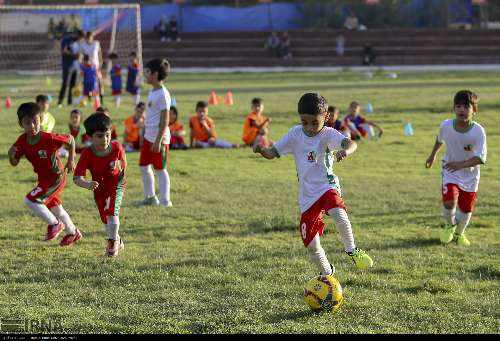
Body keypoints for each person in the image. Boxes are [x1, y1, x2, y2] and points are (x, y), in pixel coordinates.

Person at [253, 93, 373, 277]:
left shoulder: (328, 134)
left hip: (327, 186)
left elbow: (351, 143)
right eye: (304, 122)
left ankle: (352, 250)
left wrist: (345, 151)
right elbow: (273, 152)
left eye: (314, 123)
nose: (309, 127)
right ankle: (327, 274)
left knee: (339, 214)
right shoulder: (294, 134)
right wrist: (262, 149)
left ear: (326, 118)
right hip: (307, 197)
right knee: (311, 245)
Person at [8, 102, 81, 247]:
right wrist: (11, 155)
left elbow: (71, 140)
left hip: (56, 176)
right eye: (28, 123)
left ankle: (55, 224)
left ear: (40, 119)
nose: (33, 126)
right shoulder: (22, 141)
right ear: (21, 124)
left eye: (35, 121)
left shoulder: (48, 138)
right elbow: (14, 163)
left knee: (30, 200)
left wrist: (71, 160)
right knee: (55, 208)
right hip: (43, 179)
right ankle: (73, 232)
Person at [425, 90, 487, 246]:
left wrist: (460, 165)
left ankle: (459, 234)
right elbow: (440, 139)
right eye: (458, 106)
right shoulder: (446, 125)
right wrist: (432, 155)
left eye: (466, 106)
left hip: (471, 175)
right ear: (454, 108)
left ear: (474, 110)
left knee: (466, 210)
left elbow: (480, 158)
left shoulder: (478, 131)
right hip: (450, 171)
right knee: (449, 202)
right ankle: (449, 225)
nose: (461, 110)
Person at [74, 112, 127, 257]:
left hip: (116, 185)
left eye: (108, 135)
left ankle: (111, 243)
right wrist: (87, 184)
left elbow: (123, 166)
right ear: (90, 137)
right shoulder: (87, 154)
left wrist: (118, 169)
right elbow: (77, 178)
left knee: (111, 212)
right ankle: (117, 239)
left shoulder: (117, 148)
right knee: (105, 218)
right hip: (98, 188)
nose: (105, 139)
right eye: (99, 136)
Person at [140, 58, 172, 207]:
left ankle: (166, 201)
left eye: (147, 72)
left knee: (160, 169)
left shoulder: (163, 94)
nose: (145, 75)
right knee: (144, 166)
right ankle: (150, 197)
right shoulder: (153, 91)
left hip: (159, 139)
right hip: (148, 136)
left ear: (155, 74)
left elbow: (165, 120)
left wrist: (158, 141)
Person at [57, 30, 84, 108]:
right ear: (76, 34)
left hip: (76, 67)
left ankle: (70, 102)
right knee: (65, 84)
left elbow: (79, 53)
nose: (80, 39)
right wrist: (74, 55)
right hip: (67, 66)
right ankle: (60, 101)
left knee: (73, 85)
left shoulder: (78, 42)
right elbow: (64, 51)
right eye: (80, 37)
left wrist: (80, 57)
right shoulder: (66, 40)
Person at [80, 31, 103, 104]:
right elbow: (82, 56)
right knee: (87, 82)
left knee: (99, 81)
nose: (88, 39)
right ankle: (89, 96)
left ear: (92, 38)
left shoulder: (96, 43)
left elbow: (99, 53)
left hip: (95, 66)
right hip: (87, 67)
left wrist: (101, 61)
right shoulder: (83, 45)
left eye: (89, 38)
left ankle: (101, 97)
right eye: (87, 38)